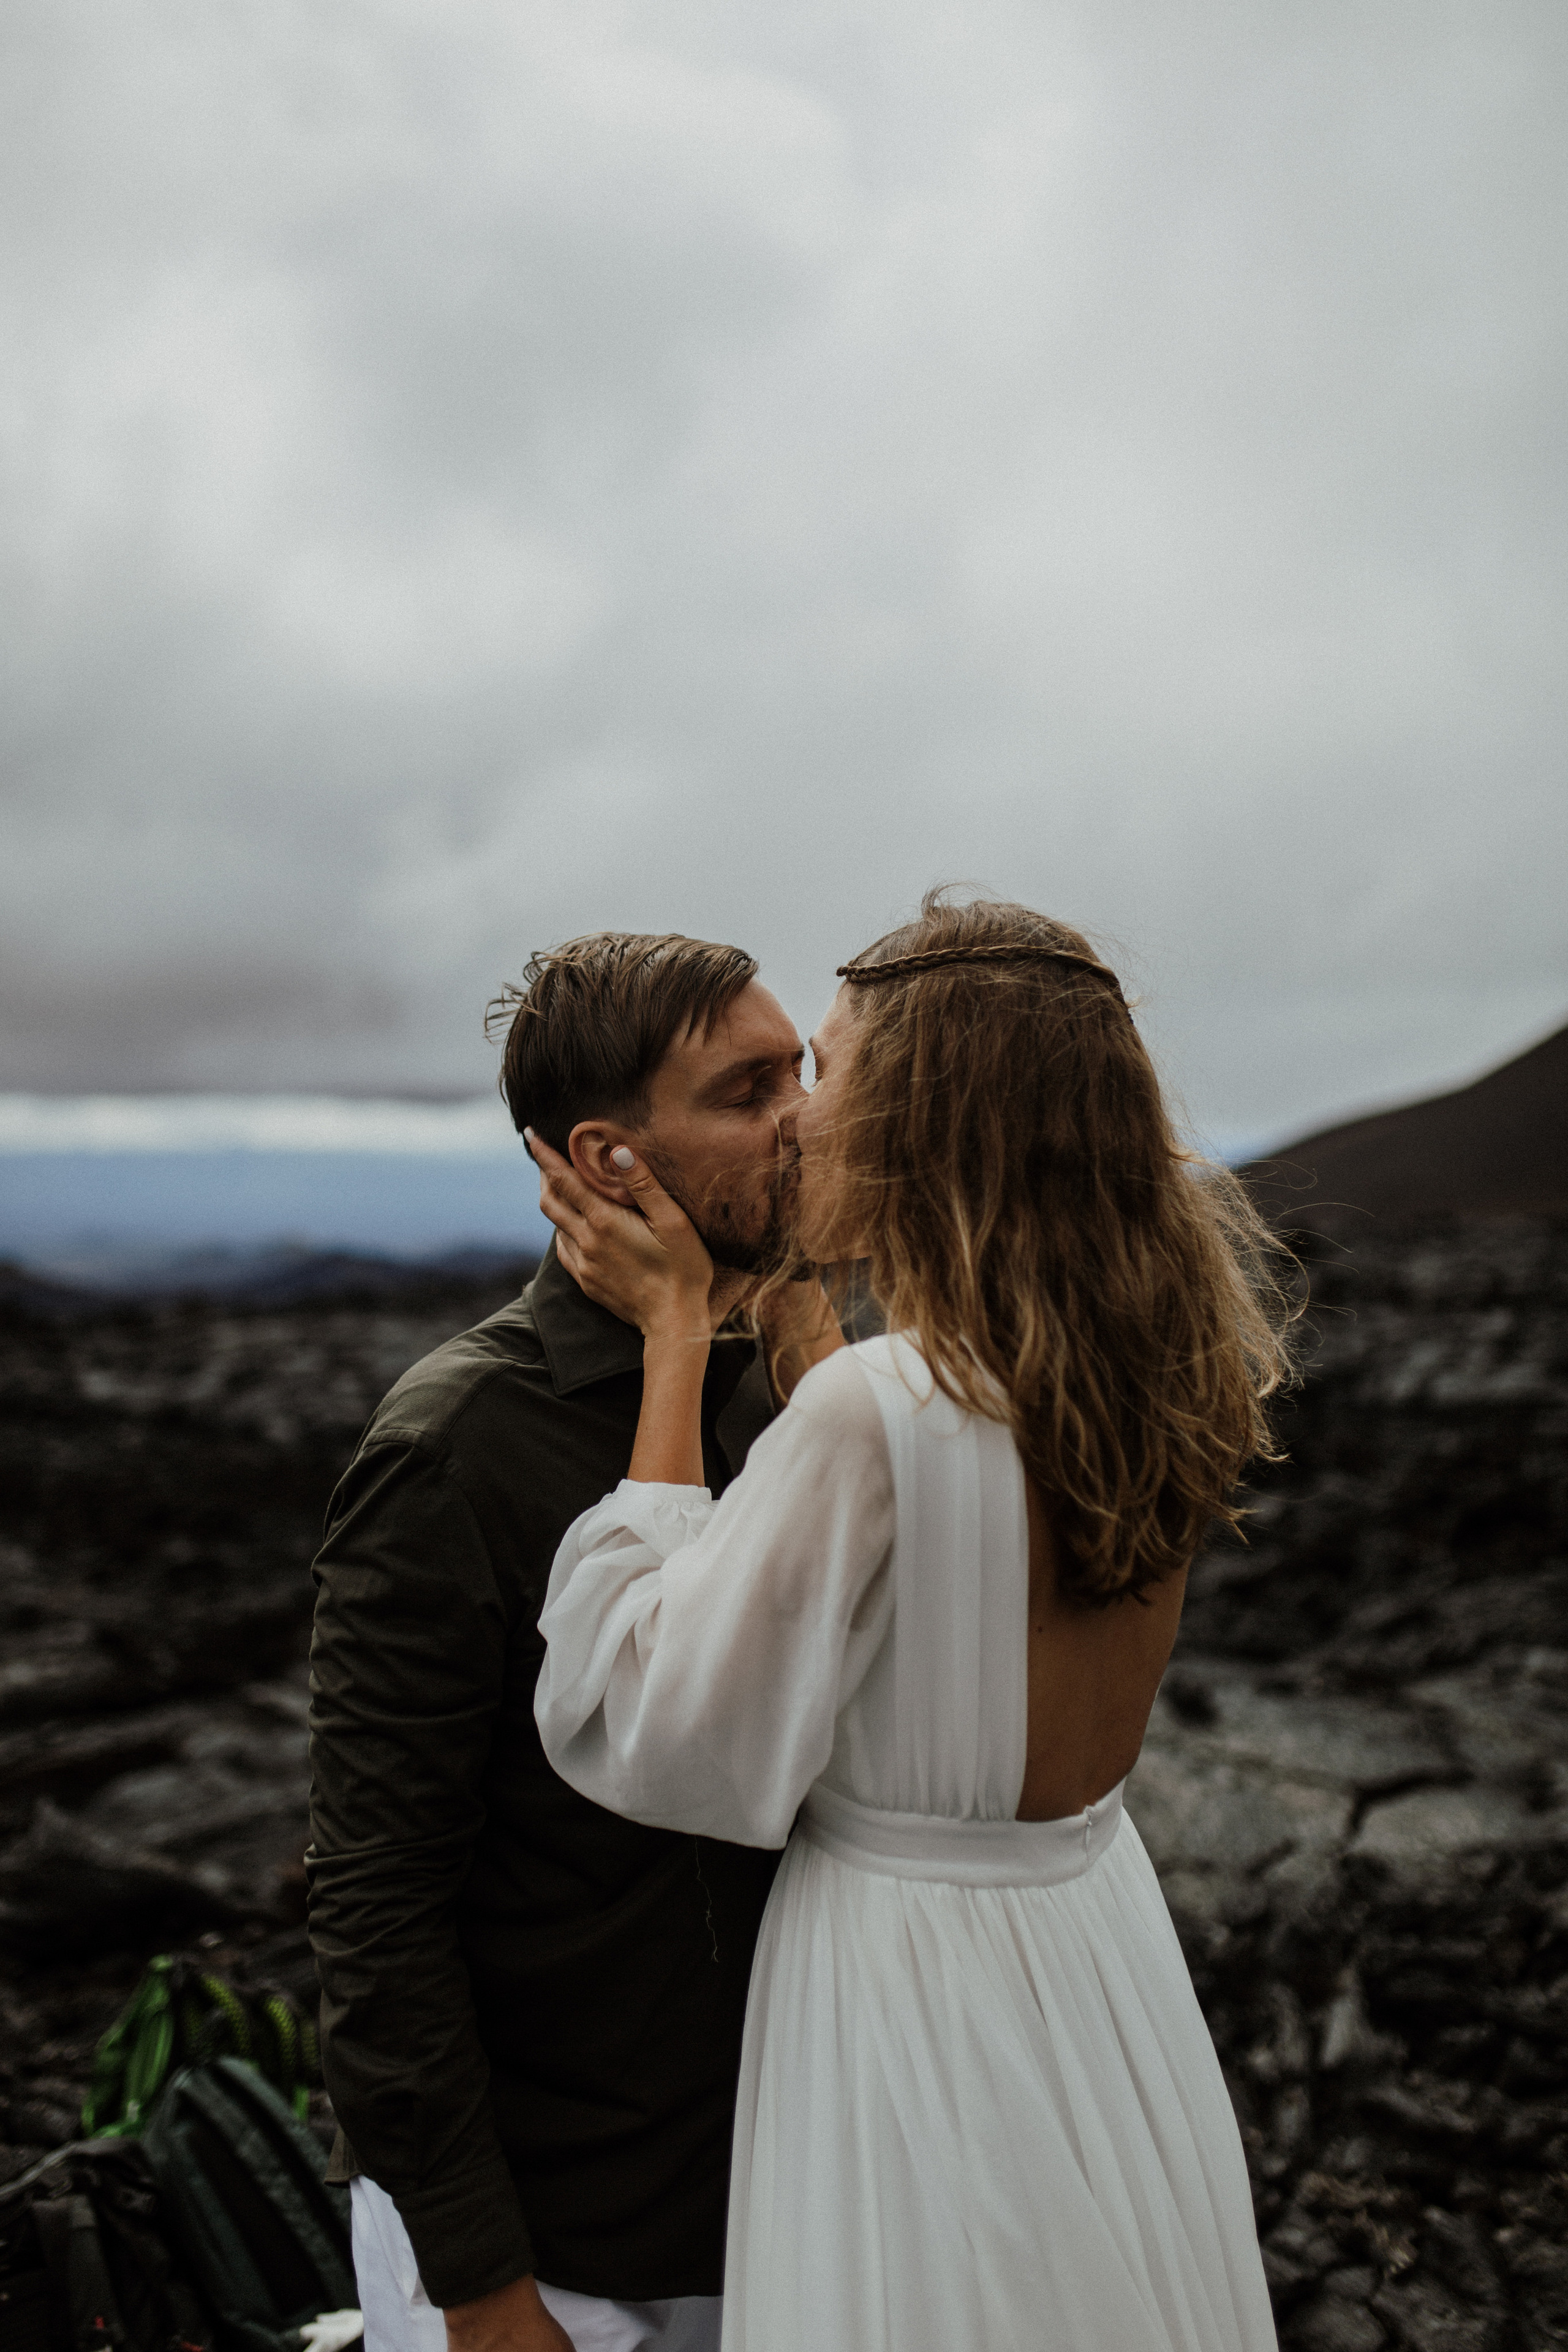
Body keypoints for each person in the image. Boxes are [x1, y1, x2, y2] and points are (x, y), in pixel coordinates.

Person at [529, 890, 1295, 2352]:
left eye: (830, 1070)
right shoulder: (1156, 1367)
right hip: (1094, 1951)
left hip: (906, 1990)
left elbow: (668, 1733)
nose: (802, 1117)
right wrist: (815, 1344)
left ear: (927, 1118)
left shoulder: (879, 1413)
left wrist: (678, 1349)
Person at [306, 931, 825, 2352]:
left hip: (786, 2208)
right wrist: (478, 2287)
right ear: (609, 1161)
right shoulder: (455, 1448)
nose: (808, 1116)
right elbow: (374, 1894)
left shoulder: (792, 1400)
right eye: (749, 1090)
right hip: (563, 2255)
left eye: (807, 1072)